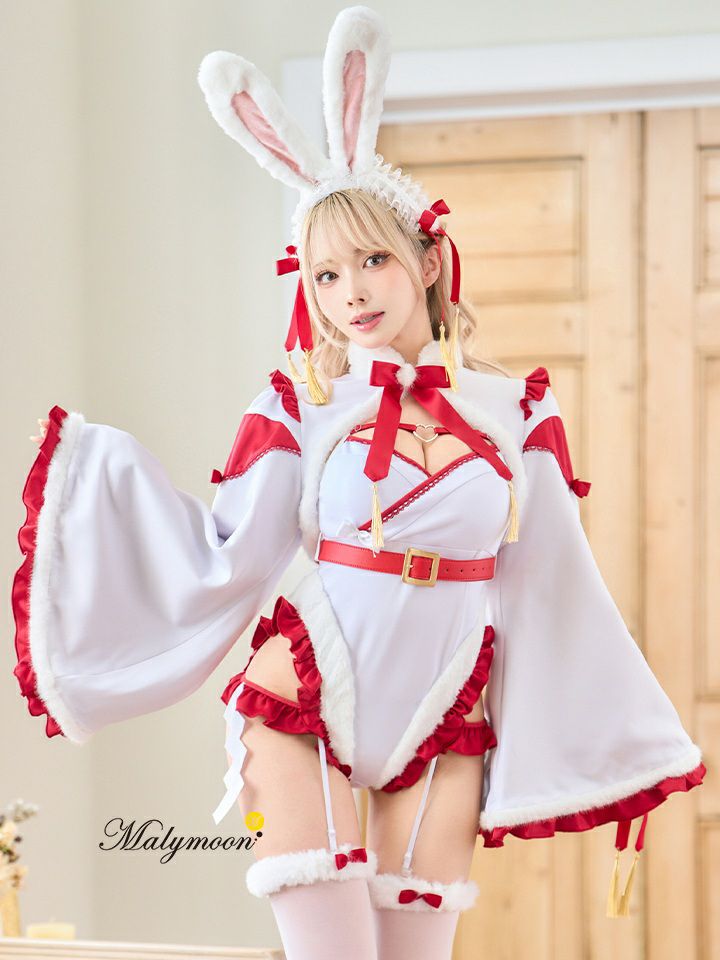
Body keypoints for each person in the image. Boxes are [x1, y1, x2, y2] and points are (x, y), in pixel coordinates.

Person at [15, 7, 705, 960]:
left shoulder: (518, 413)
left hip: (446, 706)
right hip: (304, 694)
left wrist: (625, 738)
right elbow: (234, 554)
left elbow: (553, 582)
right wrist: (98, 476)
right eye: (327, 276)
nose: (353, 294)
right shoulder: (300, 403)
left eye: (373, 260)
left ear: (427, 258)